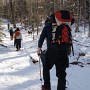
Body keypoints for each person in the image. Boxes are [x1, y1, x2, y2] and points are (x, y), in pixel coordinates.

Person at [37, 10, 74, 90]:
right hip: (63, 52)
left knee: (46, 68)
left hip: (51, 52)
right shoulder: (65, 25)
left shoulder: (47, 26)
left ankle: (47, 87)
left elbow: (42, 37)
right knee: (61, 74)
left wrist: (39, 48)